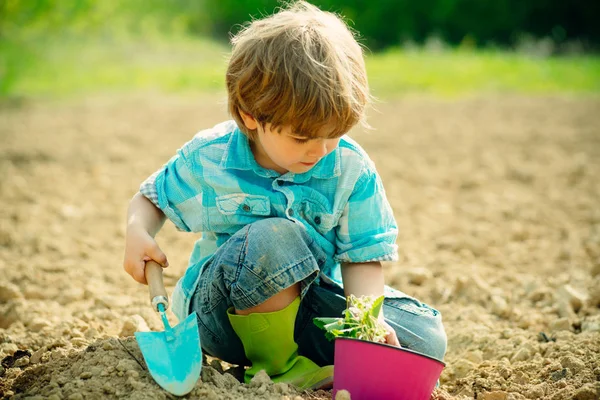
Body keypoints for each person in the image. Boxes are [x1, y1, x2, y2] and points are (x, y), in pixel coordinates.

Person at [123, 1, 446, 391]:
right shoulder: (211, 157)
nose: (320, 150)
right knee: (276, 237)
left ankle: (308, 358)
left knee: (423, 337)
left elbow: (362, 255)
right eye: (302, 137)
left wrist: (368, 323)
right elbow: (152, 198)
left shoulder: (351, 168)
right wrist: (138, 231)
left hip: (306, 304)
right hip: (221, 317)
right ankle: (276, 371)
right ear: (250, 116)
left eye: (333, 134)